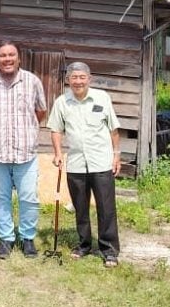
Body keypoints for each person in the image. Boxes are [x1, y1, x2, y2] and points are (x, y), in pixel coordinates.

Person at [0, 41, 47, 259]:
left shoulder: (32, 81)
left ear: (19, 58)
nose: (8, 59)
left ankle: (27, 238)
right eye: (3, 55)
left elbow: (40, 111)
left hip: (25, 152)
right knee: (0, 197)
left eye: (11, 55)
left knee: (29, 198)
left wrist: (27, 131)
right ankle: (6, 238)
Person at [47, 62, 121, 268]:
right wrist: (57, 153)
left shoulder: (102, 98)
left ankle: (109, 250)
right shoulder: (62, 102)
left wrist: (116, 155)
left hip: (101, 162)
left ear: (89, 78)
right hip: (77, 164)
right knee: (80, 207)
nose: (78, 81)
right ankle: (84, 244)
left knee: (106, 208)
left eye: (82, 77)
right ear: (68, 80)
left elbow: (113, 129)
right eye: (74, 77)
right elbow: (55, 129)